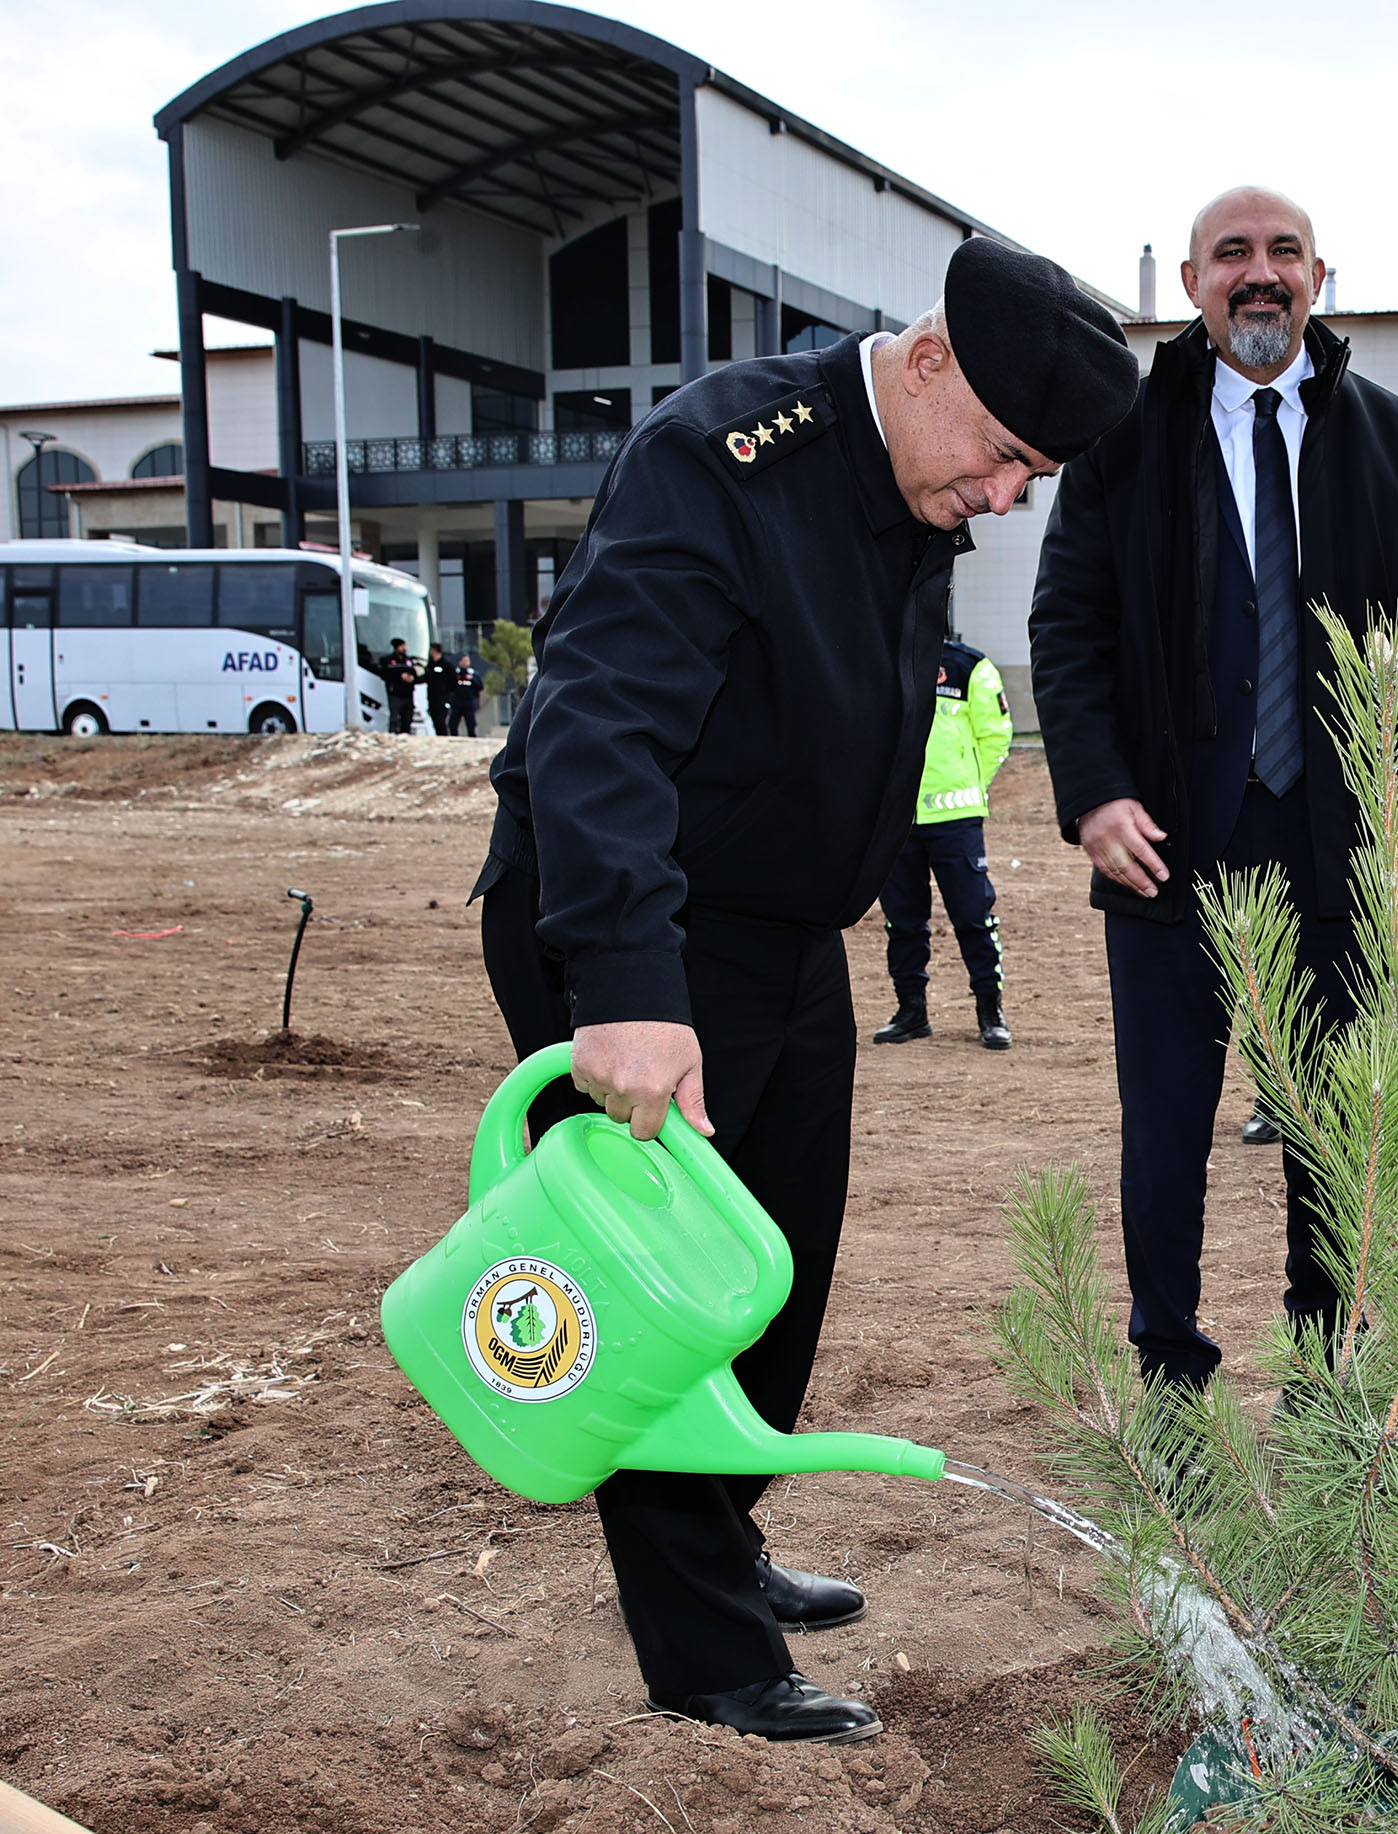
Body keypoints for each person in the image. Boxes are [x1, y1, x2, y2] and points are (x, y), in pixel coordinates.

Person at [471, 237, 1135, 1743]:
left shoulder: (909, 484)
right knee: (666, 1287)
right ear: (925, 365)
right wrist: (629, 985)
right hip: (634, 924)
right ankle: (706, 1660)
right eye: (1004, 457)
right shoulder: (724, 456)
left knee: (777, 1270)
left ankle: (726, 1538)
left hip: (774, 932)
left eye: (1033, 474)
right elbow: (595, 725)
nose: (1006, 496)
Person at [1031, 184, 1398, 1392]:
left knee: (1332, 1129)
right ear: (1191, 284)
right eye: (1230, 253)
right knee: (1167, 1132)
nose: (1259, 272)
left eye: (1282, 251)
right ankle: (1169, 1374)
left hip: (1341, 852)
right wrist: (1094, 794)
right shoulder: (1122, 438)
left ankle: (1324, 1363)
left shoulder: (1395, 439)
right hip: (1167, 850)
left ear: (1318, 277)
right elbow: (1067, 623)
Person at [870, 635, 1016, 1052]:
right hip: (897, 821)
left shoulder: (969, 665)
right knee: (902, 921)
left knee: (973, 916)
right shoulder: (879, 657)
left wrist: (969, 786)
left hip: (956, 820)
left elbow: (995, 735)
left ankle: (991, 1011)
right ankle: (911, 1010)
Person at [379, 637, 420, 734]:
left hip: (408, 694)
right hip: (395, 694)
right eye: (402, 646)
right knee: (394, 718)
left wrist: (412, 678)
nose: (404, 648)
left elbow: (415, 673)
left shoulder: (409, 661)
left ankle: (406, 736)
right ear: (396, 647)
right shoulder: (387, 661)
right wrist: (400, 677)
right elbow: (384, 675)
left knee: (407, 719)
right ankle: (393, 737)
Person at [423, 642, 458, 737]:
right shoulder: (430, 665)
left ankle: (444, 737)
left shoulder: (447, 665)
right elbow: (426, 678)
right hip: (432, 697)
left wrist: (447, 693)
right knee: (434, 719)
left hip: (443, 698)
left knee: (441, 719)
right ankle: (438, 736)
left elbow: (454, 682)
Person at [448, 644, 483, 738]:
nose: (466, 663)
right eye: (464, 661)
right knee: (453, 723)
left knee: (470, 723)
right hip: (457, 701)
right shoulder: (456, 673)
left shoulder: (473, 673)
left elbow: (480, 686)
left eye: (467, 661)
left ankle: (472, 738)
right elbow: (450, 685)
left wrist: (471, 679)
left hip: (469, 702)